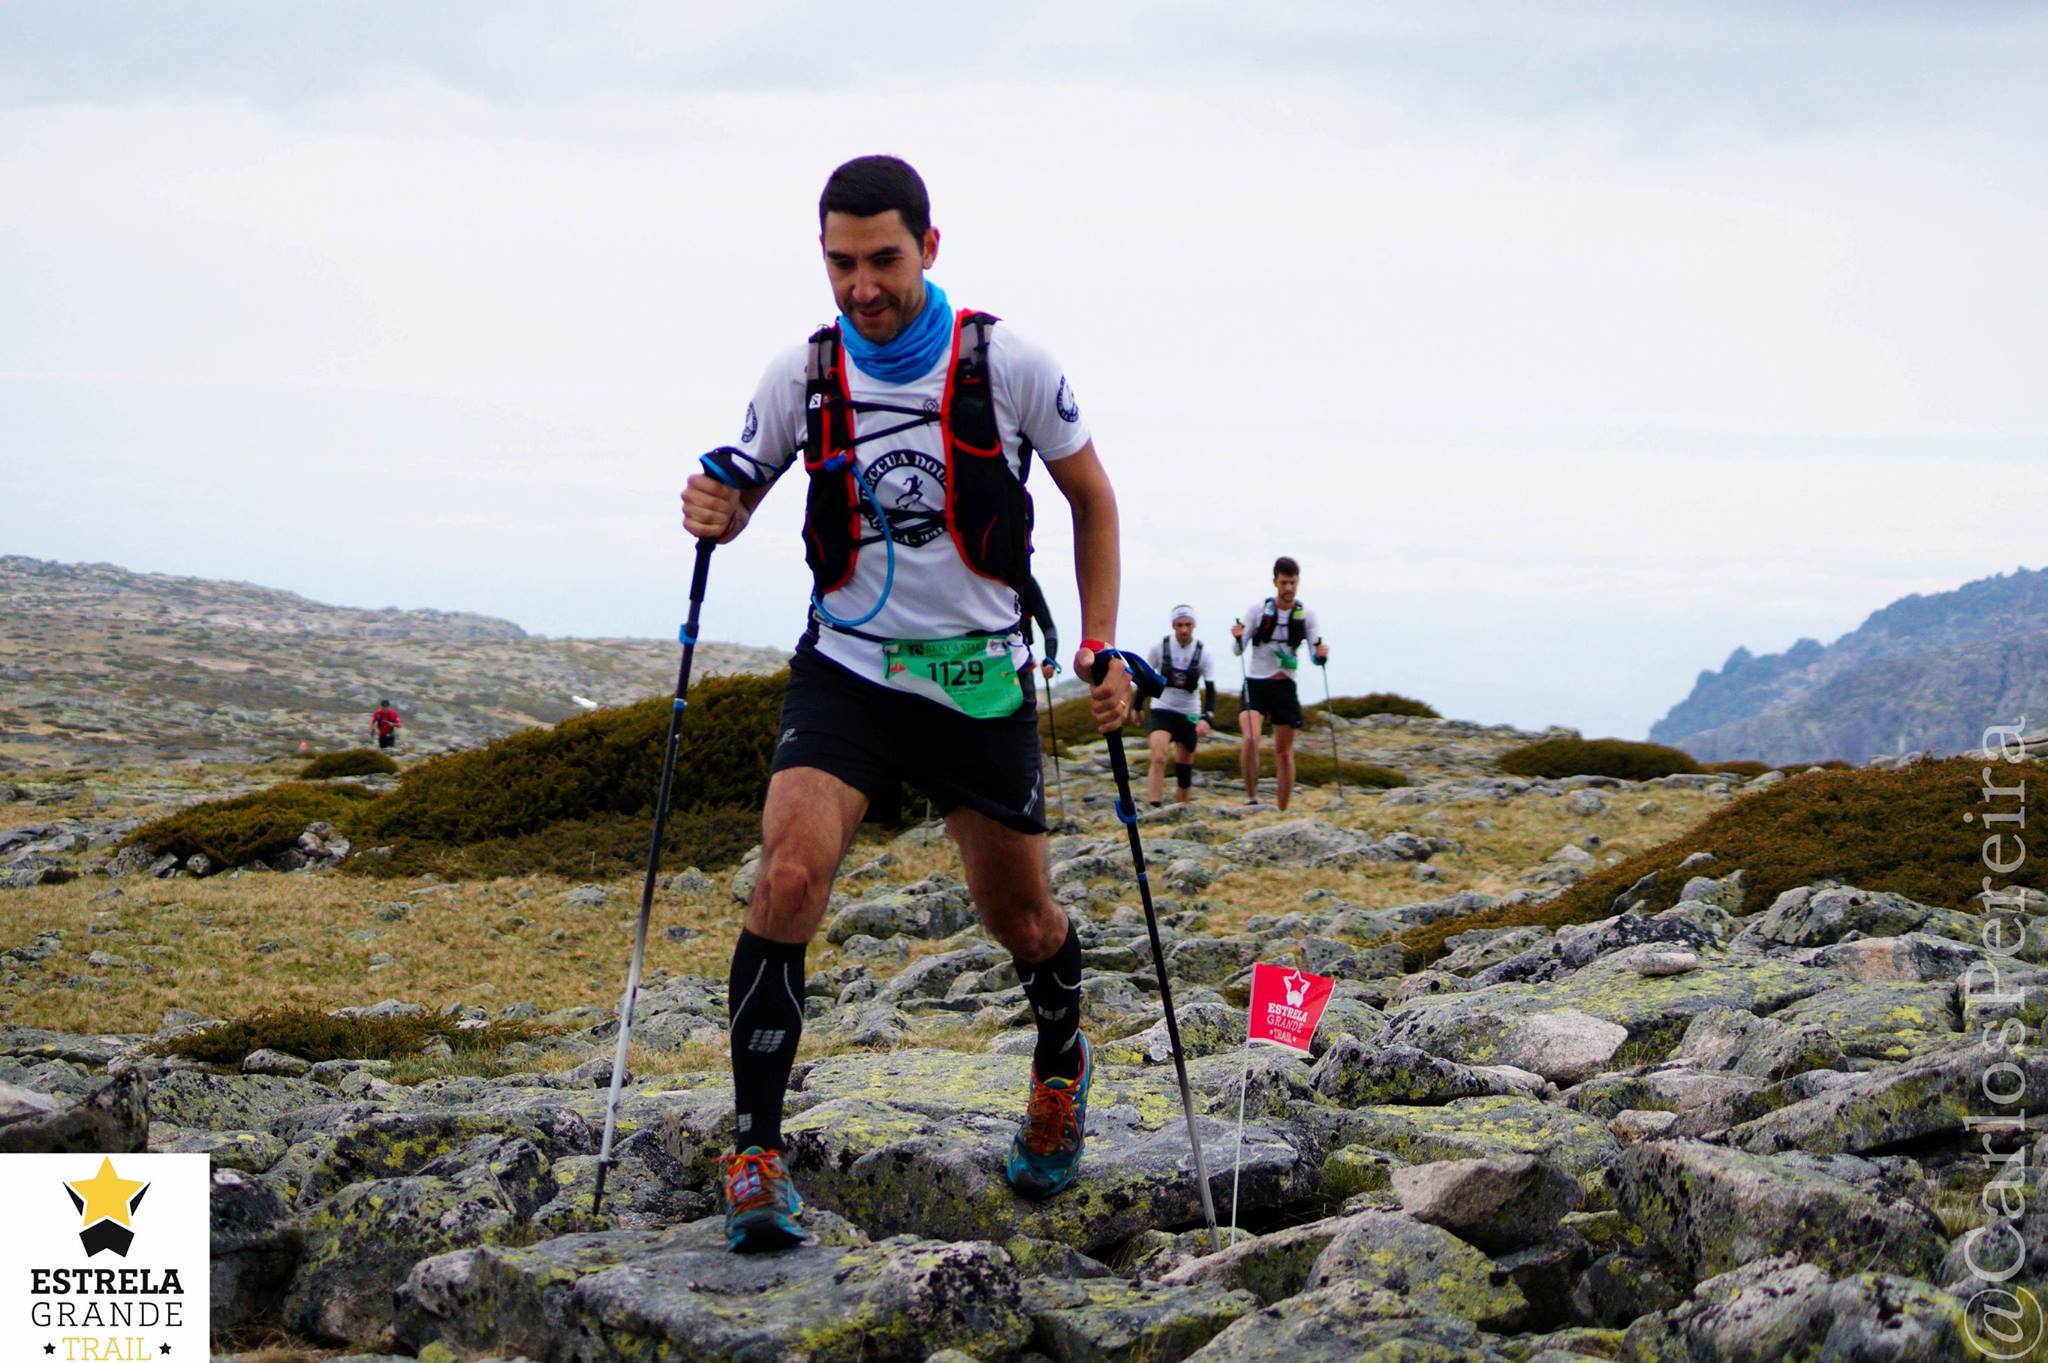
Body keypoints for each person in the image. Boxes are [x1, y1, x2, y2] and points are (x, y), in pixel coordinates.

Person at [681, 155, 1129, 1254]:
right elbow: (739, 481)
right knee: (787, 874)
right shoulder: (806, 373)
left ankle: (1059, 1060)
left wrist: (1100, 641)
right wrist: (715, 506)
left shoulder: (1007, 361)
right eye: (839, 262)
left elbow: (1089, 499)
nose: (860, 285)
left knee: (1019, 921)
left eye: (882, 259)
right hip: (847, 667)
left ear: (929, 247)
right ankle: (753, 1151)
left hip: (975, 676)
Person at [1230, 557, 1327, 810]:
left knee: (1283, 752)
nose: (1288, 588)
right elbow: (1238, 650)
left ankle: (1282, 808)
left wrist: (1321, 654)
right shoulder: (1257, 611)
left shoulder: (1306, 615)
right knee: (1251, 739)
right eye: (1284, 582)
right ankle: (1251, 798)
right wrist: (1238, 637)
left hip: (1285, 686)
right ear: (1275, 582)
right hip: (1256, 683)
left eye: (1292, 583)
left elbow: (1316, 654)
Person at [1143, 606, 1214, 806]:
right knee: (1159, 756)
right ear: (1173, 626)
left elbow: (1210, 688)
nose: (1184, 630)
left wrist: (1207, 717)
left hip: (1189, 712)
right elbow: (1146, 679)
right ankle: (1154, 804)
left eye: (1188, 625)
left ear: (1194, 625)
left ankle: (1181, 808)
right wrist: (1136, 707)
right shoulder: (1159, 647)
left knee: (1184, 766)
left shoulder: (1204, 653)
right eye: (1180, 625)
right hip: (1162, 708)